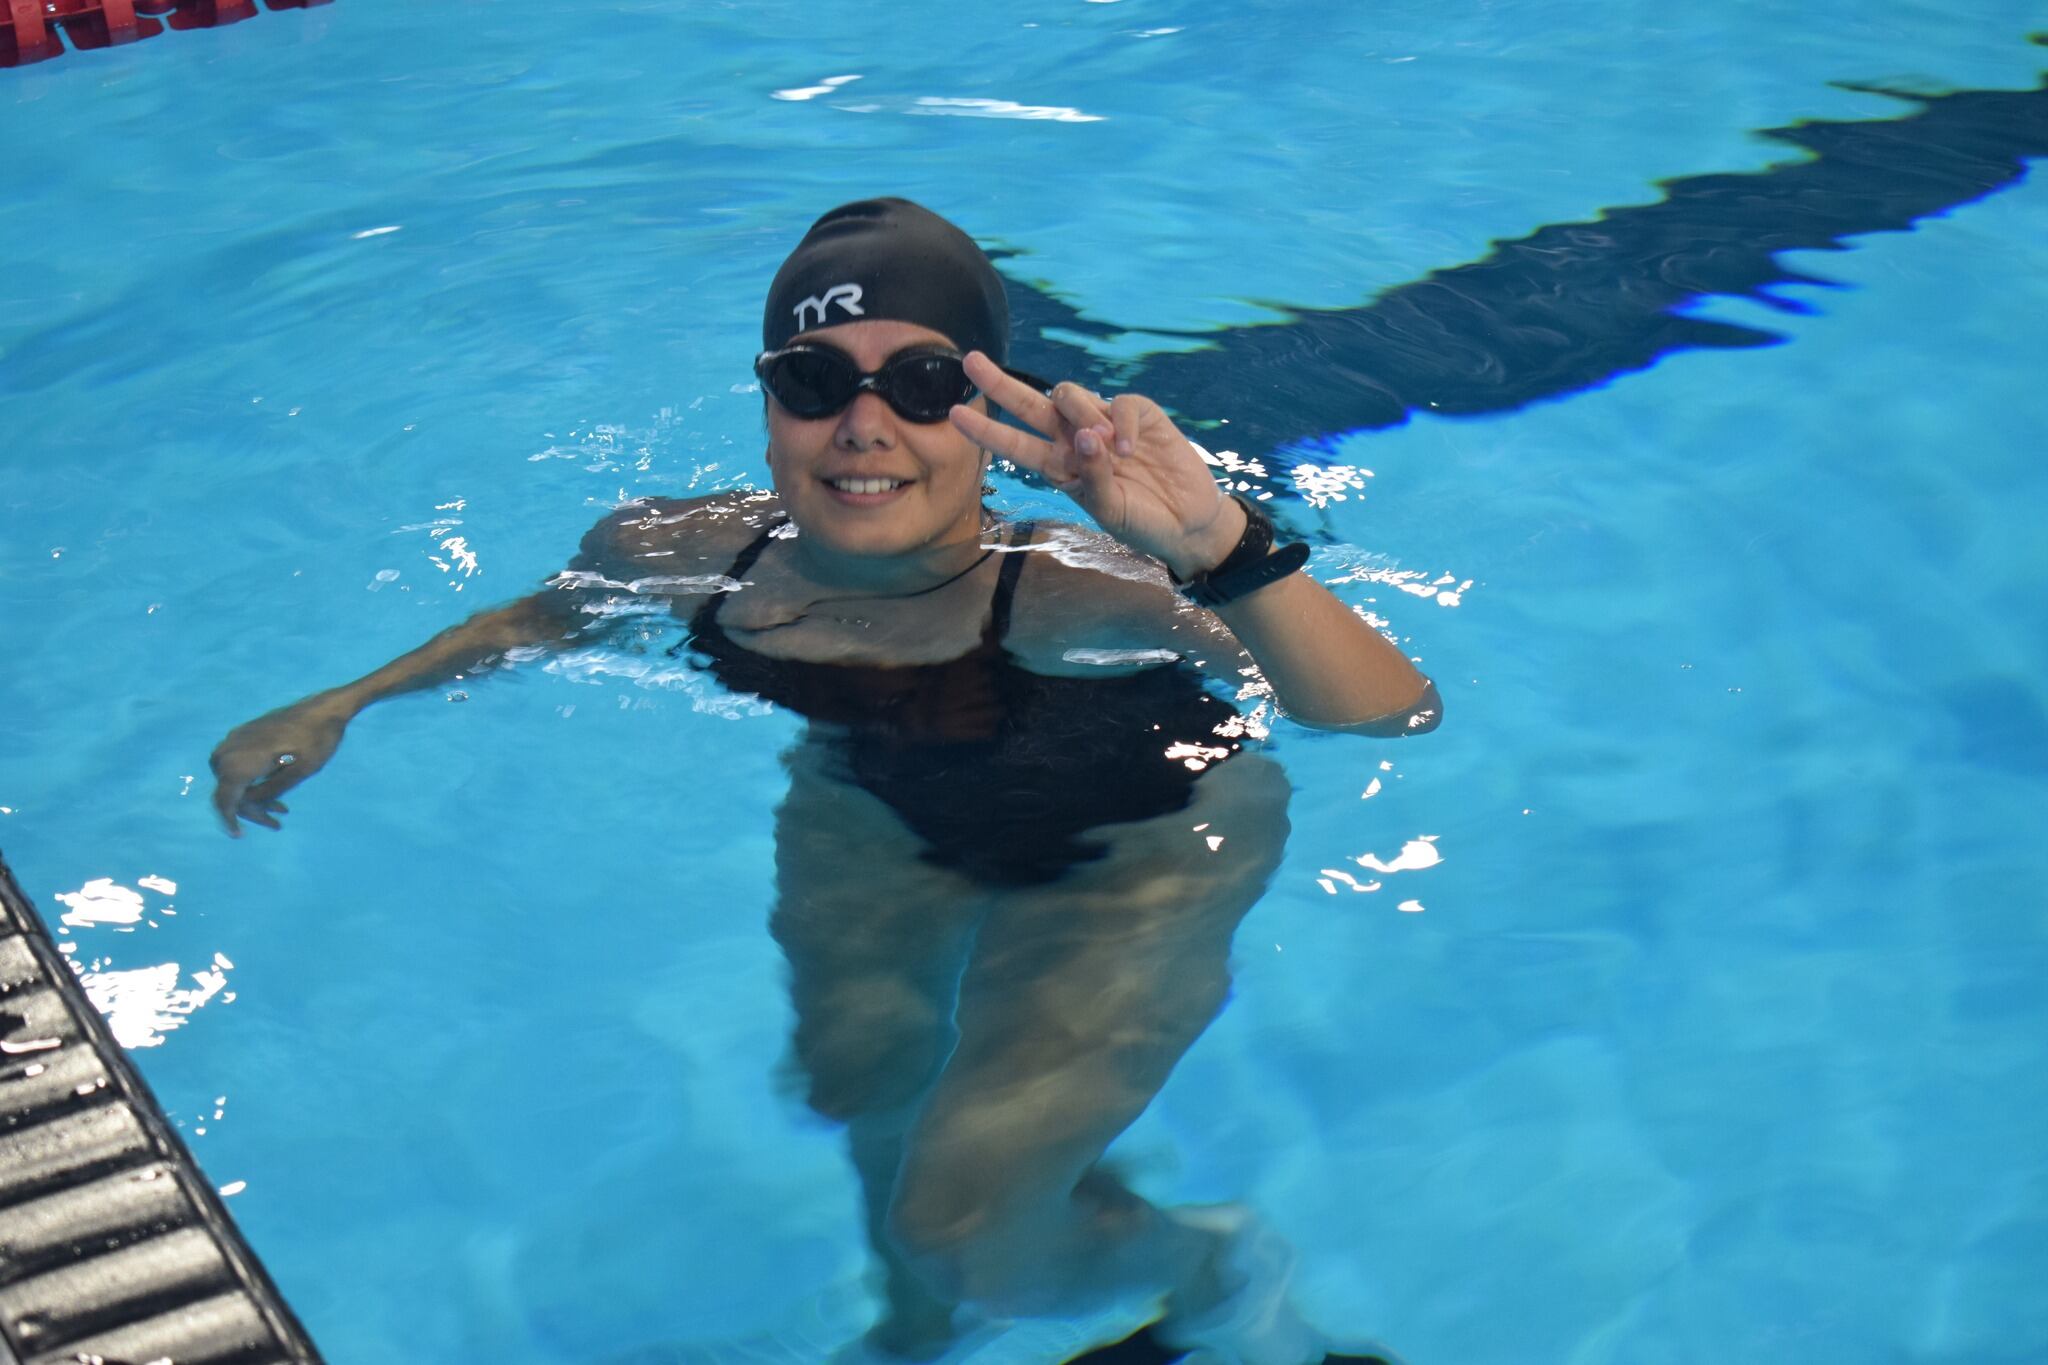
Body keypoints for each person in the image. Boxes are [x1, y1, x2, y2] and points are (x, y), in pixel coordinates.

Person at [211, 198, 1439, 1363]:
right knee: (857, 1075)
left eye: (920, 385)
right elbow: (543, 619)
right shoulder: (685, 549)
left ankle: (1210, 1268)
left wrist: (1223, 551)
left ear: (979, 410)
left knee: (962, 1228)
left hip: (1142, 844)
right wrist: (344, 701)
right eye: (814, 382)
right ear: (767, 406)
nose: (862, 428)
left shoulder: (1076, 586)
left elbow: (1391, 715)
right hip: (875, 789)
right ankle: (921, 1338)